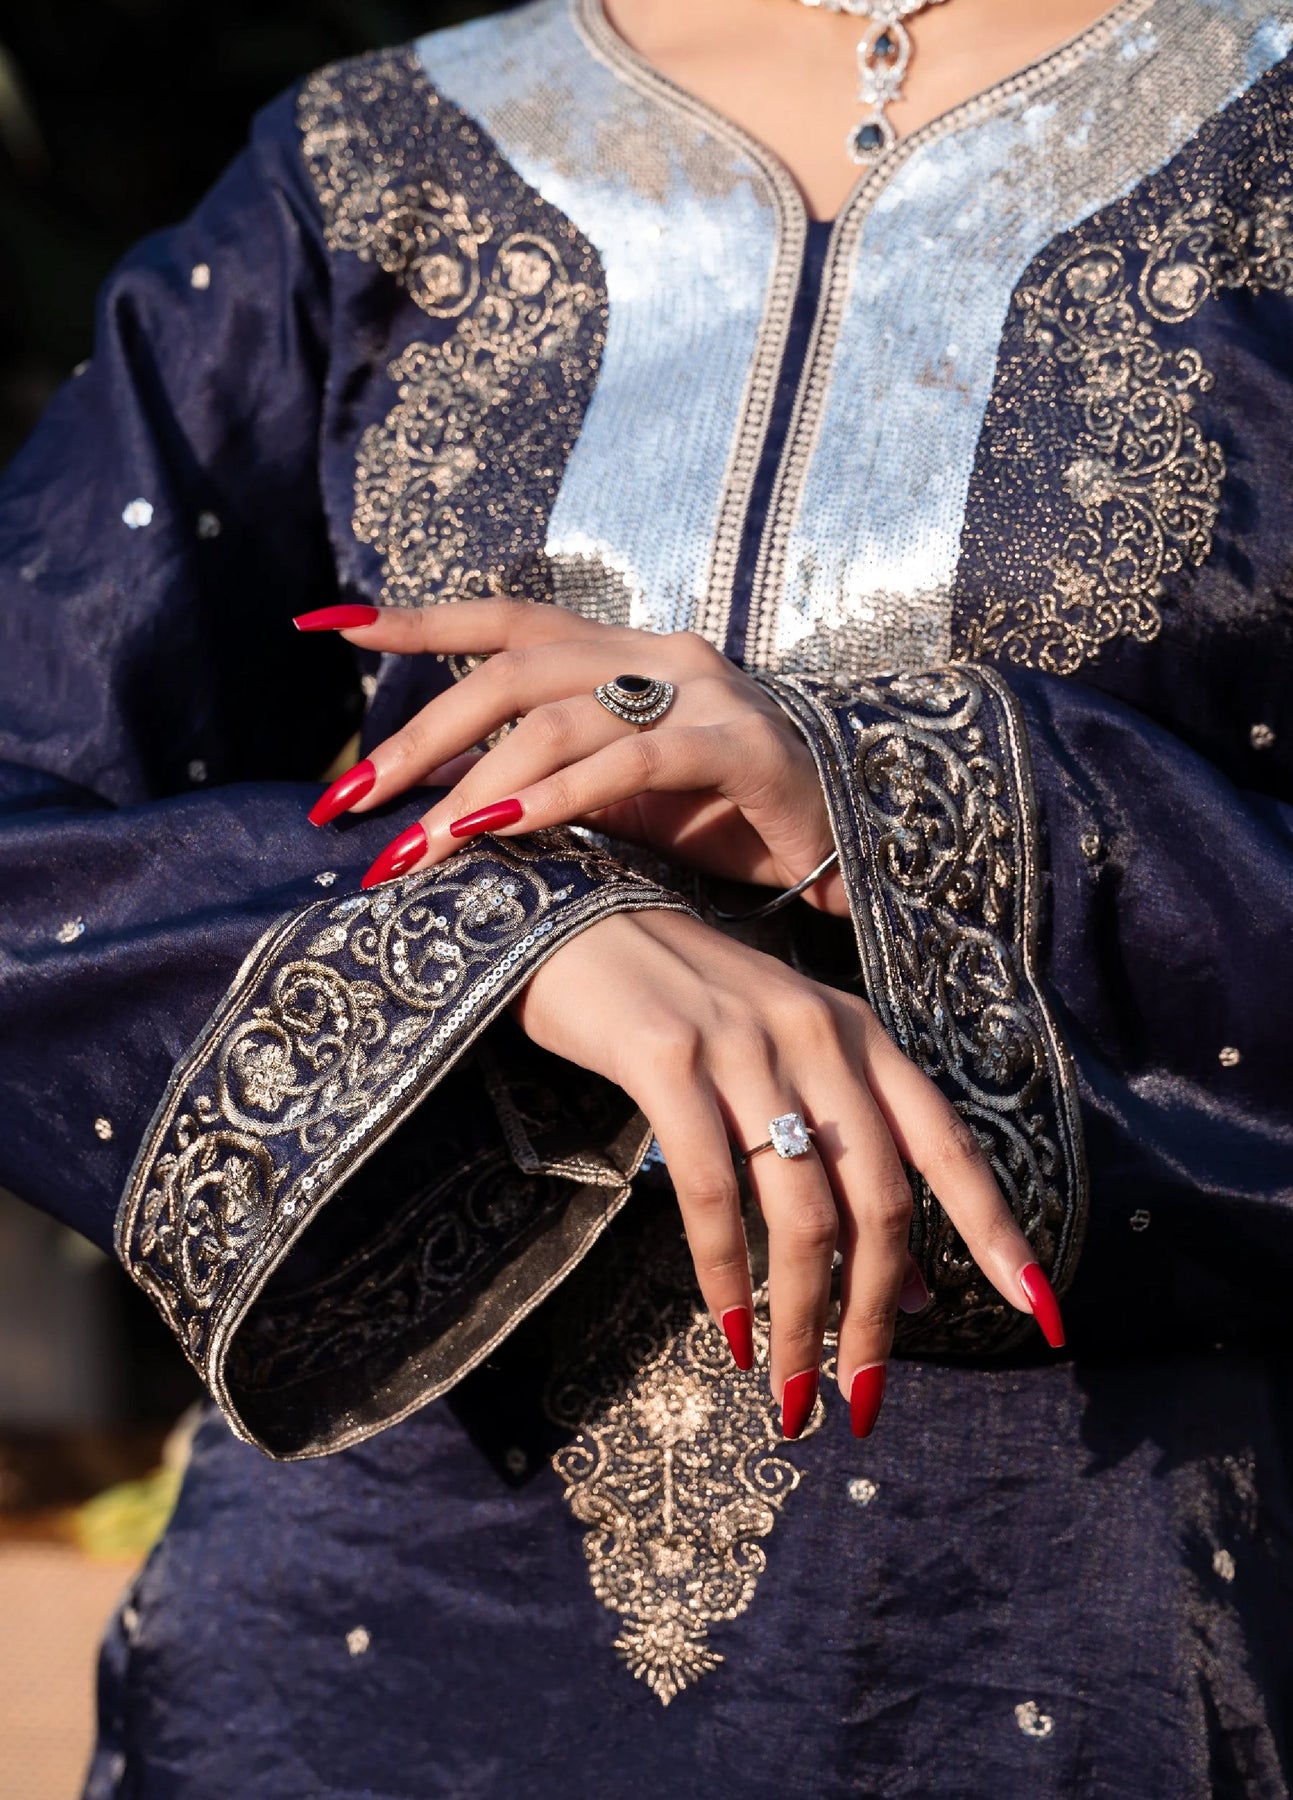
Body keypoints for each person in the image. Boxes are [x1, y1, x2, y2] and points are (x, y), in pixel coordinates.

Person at [1, 0, 1290, 1791]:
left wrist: (879, 793)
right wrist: (508, 945)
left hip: (1075, 1625)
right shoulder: (378, 167)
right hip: (356, 1641)